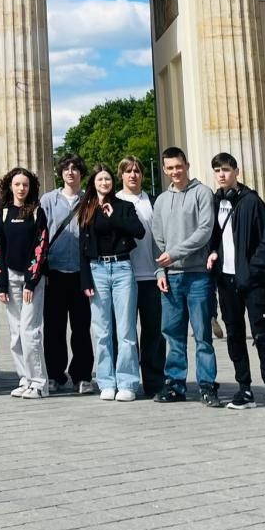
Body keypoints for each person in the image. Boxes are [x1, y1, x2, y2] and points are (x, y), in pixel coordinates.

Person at [208, 154, 265, 415]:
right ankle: (245, 389)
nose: (221, 174)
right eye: (217, 170)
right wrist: (213, 253)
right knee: (235, 335)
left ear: (236, 171)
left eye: (226, 170)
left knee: (262, 335)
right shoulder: (216, 201)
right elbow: (214, 236)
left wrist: (253, 271)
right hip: (226, 281)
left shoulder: (252, 201)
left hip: (251, 281)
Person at [152, 146, 220, 407]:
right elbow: (156, 239)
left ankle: (206, 385)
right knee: (172, 334)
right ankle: (175, 384)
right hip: (171, 277)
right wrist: (161, 269)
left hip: (197, 275)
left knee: (202, 334)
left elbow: (205, 231)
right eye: (169, 168)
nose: (174, 172)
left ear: (187, 165)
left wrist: (175, 253)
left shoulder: (202, 193)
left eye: (178, 166)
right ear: (165, 170)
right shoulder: (161, 200)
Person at [78, 163, 145, 402]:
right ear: (93, 183)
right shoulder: (86, 209)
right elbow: (82, 248)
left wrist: (114, 216)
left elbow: (139, 232)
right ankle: (106, 381)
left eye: (107, 179)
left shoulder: (124, 206)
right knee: (102, 330)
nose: (104, 183)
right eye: (100, 179)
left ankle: (127, 382)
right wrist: (85, 278)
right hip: (97, 270)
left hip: (122, 268)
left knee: (126, 329)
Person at [41, 154, 96, 395]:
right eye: (66, 168)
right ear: (60, 173)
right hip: (54, 271)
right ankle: (54, 374)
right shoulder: (48, 200)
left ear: (81, 174)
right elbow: (41, 234)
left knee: (82, 327)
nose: (70, 172)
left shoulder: (89, 200)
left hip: (81, 272)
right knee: (54, 327)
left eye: (75, 168)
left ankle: (82, 375)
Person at [0, 167, 49, 399]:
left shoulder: (37, 212)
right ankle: (25, 378)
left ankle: (39, 383)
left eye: (25, 184)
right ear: (10, 186)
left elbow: (41, 246)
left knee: (30, 331)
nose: (21, 188)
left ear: (31, 187)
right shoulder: (3, 212)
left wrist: (31, 281)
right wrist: (1, 284)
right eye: (17, 184)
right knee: (15, 333)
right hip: (10, 278)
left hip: (31, 280)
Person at [116, 156, 166, 398]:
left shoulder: (155, 202)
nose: (133, 175)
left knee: (154, 332)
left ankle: (155, 381)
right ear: (121, 175)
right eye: (128, 171)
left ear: (142, 175)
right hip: (123, 276)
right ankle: (126, 380)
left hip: (152, 275)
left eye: (137, 171)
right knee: (124, 332)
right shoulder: (113, 201)